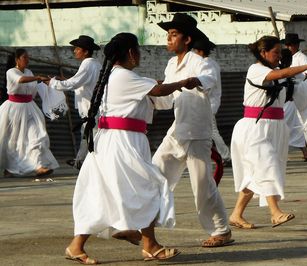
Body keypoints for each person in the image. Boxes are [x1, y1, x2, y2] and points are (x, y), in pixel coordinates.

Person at [65, 32, 195, 264]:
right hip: (123, 142)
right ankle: (149, 243)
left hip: (113, 140)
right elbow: (158, 91)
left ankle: (79, 245)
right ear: (131, 53)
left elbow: (152, 90)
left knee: (106, 193)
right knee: (150, 188)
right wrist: (184, 82)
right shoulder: (125, 76)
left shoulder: (113, 76)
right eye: (138, 50)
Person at [151, 13, 233, 247]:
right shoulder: (170, 64)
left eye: (173, 35)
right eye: (168, 35)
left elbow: (208, 79)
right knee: (155, 173)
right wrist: (150, 95)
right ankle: (145, 223)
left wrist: (194, 80)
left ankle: (221, 231)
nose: (169, 39)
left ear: (187, 40)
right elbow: (167, 100)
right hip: (177, 131)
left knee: (202, 186)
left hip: (197, 133)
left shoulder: (201, 63)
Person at [229, 35, 307, 229]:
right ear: (263, 53)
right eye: (276, 53)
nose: (279, 57)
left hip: (276, 127)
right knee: (267, 165)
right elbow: (278, 76)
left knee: (256, 172)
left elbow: (301, 95)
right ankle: (275, 212)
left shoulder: (280, 74)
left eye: (280, 53)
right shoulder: (256, 70)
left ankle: (236, 214)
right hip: (255, 127)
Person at [0, 49, 58, 177]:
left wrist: (46, 82)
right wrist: (37, 77)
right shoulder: (11, 72)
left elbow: (33, 90)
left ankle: (39, 166)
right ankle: (10, 168)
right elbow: (20, 80)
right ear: (17, 60)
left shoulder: (29, 72)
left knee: (36, 135)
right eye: (24, 57)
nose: (27, 60)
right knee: (12, 140)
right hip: (13, 109)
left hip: (30, 108)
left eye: (28, 58)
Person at [48, 35, 101, 170]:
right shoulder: (95, 64)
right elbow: (80, 83)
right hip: (92, 107)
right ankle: (80, 160)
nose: (75, 51)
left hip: (91, 108)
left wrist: (53, 83)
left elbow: (74, 83)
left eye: (77, 48)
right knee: (87, 136)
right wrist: (62, 80)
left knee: (93, 138)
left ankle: (90, 164)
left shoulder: (88, 64)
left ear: (85, 51)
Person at [282, 33, 307, 161]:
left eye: (290, 45)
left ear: (296, 45)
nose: (287, 47)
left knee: (305, 121)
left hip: (301, 93)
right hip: (292, 94)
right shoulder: (286, 59)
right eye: (286, 45)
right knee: (299, 122)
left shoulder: (302, 58)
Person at [193, 38, 231, 166]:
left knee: (213, 131)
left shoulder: (206, 64)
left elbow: (207, 85)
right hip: (210, 102)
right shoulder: (213, 63)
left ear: (199, 51)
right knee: (209, 131)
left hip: (209, 103)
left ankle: (226, 155)